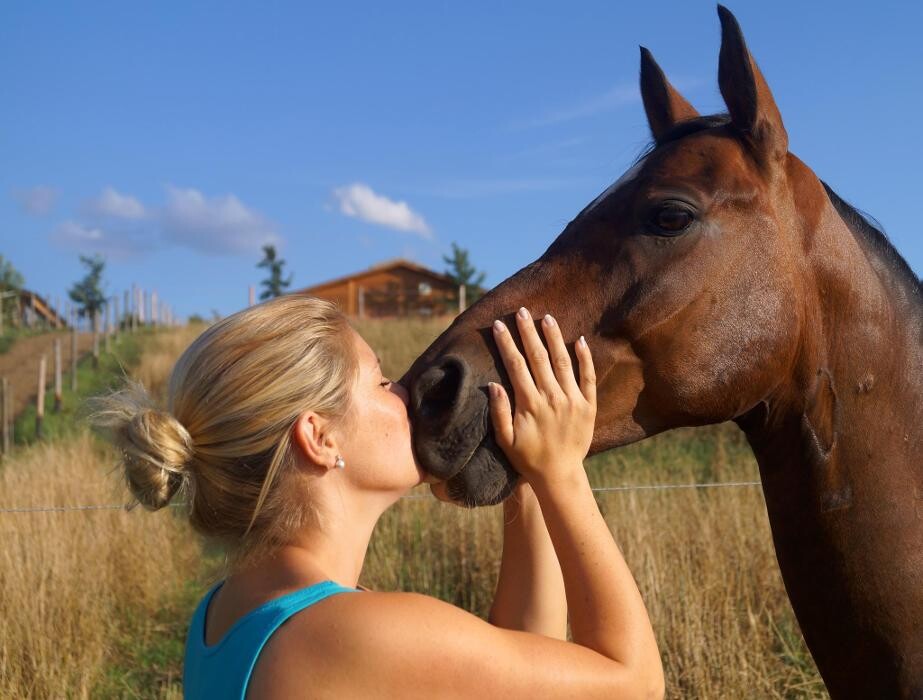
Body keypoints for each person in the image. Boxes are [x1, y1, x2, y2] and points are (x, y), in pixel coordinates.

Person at [89, 294, 663, 698]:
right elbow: (633, 685)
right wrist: (563, 472)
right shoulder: (352, 634)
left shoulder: (224, 616)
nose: (405, 393)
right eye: (380, 381)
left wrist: (530, 478)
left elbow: (520, 665)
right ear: (320, 438)